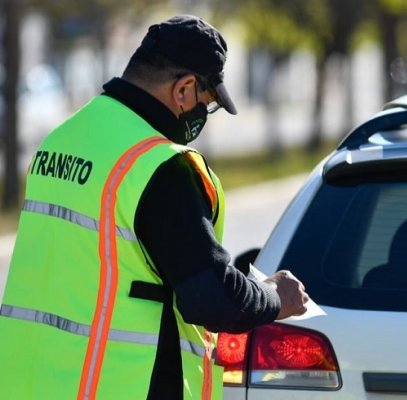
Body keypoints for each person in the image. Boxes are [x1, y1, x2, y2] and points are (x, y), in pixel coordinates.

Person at [0, 15, 308, 400]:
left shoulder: (60, 141)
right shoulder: (159, 168)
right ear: (183, 89)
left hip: (29, 383)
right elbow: (212, 299)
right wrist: (276, 296)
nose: (203, 115)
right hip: (115, 387)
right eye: (207, 102)